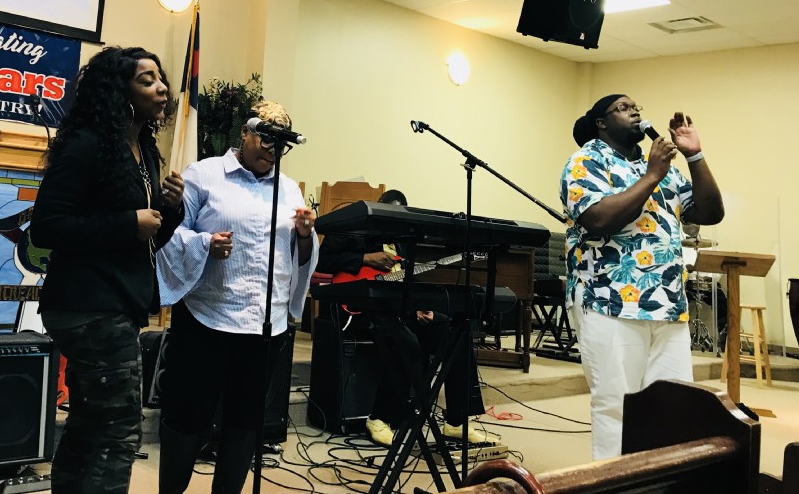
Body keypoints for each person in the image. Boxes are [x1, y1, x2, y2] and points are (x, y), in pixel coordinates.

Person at [30, 46, 185, 494]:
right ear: (118, 92)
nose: (161, 88)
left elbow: (146, 241)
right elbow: (46, 227)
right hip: (87, 303)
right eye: (146, 80)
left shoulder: (144, 150)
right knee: (119, 430)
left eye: (160, 78)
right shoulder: (87, 144)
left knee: (90, 422)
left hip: (116, 301)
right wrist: (126, 223)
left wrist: (170, 210)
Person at [154, 100, 318, 494]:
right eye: (265, 138)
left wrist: (304, 235)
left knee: (245, 421)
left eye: (280, 143)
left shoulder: (289, 188)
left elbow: (299, 257)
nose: (272, 149)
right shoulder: (205, 174)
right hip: (207, 317)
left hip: (264, 323)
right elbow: (170, 232)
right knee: (188, 415)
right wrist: (205, 244)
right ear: (244, 133)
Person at [561, 95, 724, 459]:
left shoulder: (665, 170)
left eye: (636, 106)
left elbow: (710, 212)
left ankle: (659, 480)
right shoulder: (586, 161)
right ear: (601, 123)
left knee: (673, 407)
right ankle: (615, 482)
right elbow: (599, 220)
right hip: (609, 301)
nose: (634, 110)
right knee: (617, 406)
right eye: (623, 107)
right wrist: (652, 175)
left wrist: (694, 156)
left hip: (667, 304)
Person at [315, 189, 490, 447]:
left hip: (399, 307)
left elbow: (405, 276)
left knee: (456, 332)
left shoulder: (404, 239)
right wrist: (365, 258)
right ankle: (380, 418)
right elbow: (321, 260)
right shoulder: (354, 228)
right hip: (360, 307)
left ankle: (456, 421)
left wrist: (420, 305)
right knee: (404, 341)